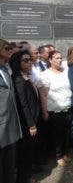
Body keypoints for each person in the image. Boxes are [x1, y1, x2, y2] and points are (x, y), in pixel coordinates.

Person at [9, 50, 40, 183]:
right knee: (25, 152)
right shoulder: (18, 79)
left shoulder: (26, 76)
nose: (30, 62)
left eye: (30, 60)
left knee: (30, 151)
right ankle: (23, 178)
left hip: (33, 119)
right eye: (25, 60)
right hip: (27, 123)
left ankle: (27, 176)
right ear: (18, 63)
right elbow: (23, 104)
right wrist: (31, 124)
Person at [40, 50, 72, 167]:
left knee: (66, 133)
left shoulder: (65, 72)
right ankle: (58, 155)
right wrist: (44, 111)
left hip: (67, 108)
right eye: (56, 58)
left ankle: (64, 153)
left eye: (60, 58)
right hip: (55, 111)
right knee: (58, 134)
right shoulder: (46, 74)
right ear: (50, 60)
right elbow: (44, 95)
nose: (59, 60)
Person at [0, 39, 22, 183]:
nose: (10, 50)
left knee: (9, 165)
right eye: (6, 48)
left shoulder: (5, 69)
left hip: (11, 125)